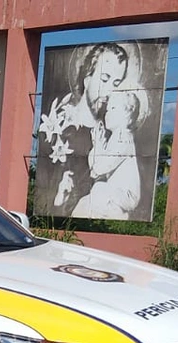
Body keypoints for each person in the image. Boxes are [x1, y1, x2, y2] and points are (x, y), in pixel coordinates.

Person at [38, 43, 130, 215]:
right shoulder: (58, 127)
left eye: (116, 83)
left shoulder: (112, 136)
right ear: (87, 79)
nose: (110, 91)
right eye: (104, 79)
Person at [70, 87, 150, 220]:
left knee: (99, 189)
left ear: (127, 113)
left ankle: (117, 215)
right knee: (84, 203)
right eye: (107, 110)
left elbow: (100, 168)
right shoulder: (114, 138)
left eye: (112, 109)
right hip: (112, 191)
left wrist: (99, 146)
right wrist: (97, 143)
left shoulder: (124, 138)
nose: (107, 114)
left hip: (126, 195)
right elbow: (94, 169)